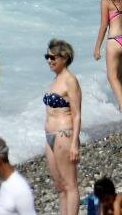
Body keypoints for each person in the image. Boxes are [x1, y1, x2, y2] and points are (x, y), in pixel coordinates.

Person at [42, 41, 83, 215]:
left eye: (53, 57)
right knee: (60, 186)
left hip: (64, 135)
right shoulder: (55, 79)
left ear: (65, 57)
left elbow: (77, 114)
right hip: (50, 136)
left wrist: (74, 144)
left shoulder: (70, 81)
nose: (49, 60)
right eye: (47, 57)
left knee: (70, 185)